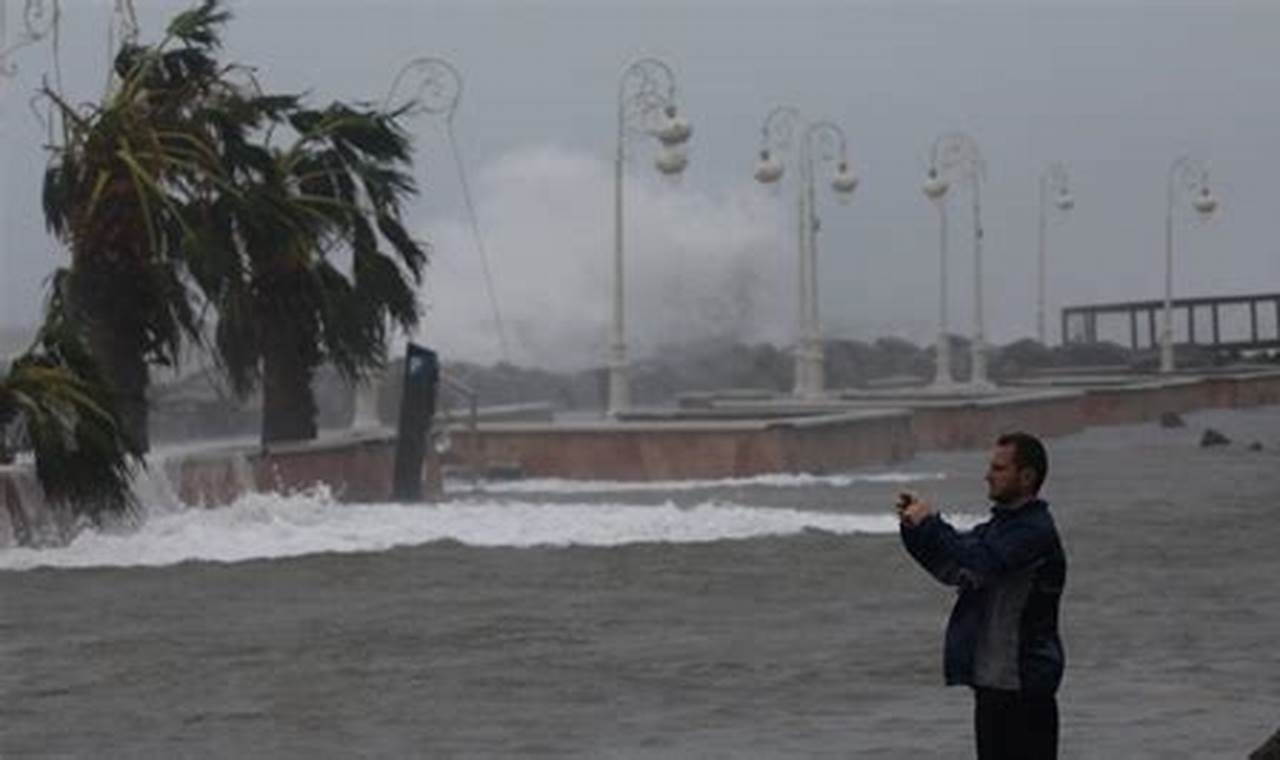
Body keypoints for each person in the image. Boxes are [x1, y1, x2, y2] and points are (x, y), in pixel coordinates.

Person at [897, 431, 1066, 760]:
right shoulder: (998, 529)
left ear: (1027, 476)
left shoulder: (1034, 531)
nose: (987, 475)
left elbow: (983, 560)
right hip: (992, 687)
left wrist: (931, 522)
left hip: (1026, 690)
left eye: (999, 468)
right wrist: (914, 529)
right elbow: (953, 568)